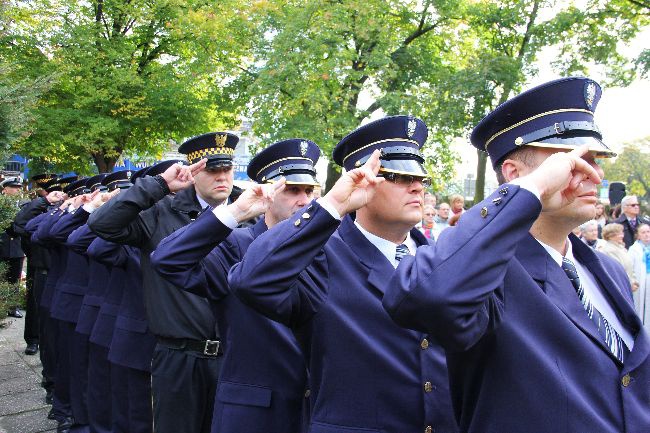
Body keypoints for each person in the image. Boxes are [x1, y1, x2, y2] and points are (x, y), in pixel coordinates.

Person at [383, 77, 650, 432]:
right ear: (514, 174)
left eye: (595, 160)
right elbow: (423, 296)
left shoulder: (605, 269)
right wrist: (530, 191)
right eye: (572, 160)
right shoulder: (486, 275)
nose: (594, 174)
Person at [230, 116, 457, 433]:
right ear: (363, 182)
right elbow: (250, 281)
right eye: (400, 177)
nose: (417, 186)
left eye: (420, 177)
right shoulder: (322, 256)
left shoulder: (440, 256)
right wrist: (332, 204)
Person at [152, 138, 320, 433]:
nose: (304, 200)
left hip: (314, 411)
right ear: (267, 191)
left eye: (309, 190)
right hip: (256, 415)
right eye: (292, 190)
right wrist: (236, 212)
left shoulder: (325, 247)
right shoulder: (236, 245)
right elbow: (167, 259)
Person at [87, 132, 243, 433]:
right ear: (194, 172)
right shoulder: (160, 213)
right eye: (212, 170)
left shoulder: (245, 215)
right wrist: (157, 185)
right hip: (179, 357)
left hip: (233, 356)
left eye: (227, 169)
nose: (221, 177)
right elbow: (101, 224)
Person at [1, 176, 26, 318]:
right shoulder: (1, 204)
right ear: (5, 189)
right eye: (14, 187)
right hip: (2, 245)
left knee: (15, 278)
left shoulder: (23, 205)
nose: (17, 190)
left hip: (16, 247)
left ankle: (12, 307)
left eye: (19, 188)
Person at [598, 223, 637, 291]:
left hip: (627, 285)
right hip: (620, 287)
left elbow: (629, 267)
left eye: (622, 233)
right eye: (618, 234)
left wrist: (634, 281)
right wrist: (630, 284)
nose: (622, 235)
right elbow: (618, 271)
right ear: (610, 236)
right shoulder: (610, 250)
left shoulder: (620, 248)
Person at [630, 224, 650, 333]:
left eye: (648, 231)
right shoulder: (634, 250)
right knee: (640, 309)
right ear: (638, 235)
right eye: (643, 232)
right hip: (640, 286)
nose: (647, 235)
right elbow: (630, 268)